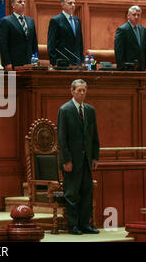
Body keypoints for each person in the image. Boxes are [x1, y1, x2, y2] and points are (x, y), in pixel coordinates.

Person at [57, 79, 100, 235]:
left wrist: (95, 157)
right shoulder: (65, 110)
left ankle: (85, 224)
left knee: (87, 192)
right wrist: (66, 160)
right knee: (72, 193)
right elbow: (62, 138)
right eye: (79, 90)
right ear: (72, 91)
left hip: (87, 160)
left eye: (84, 90)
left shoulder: (90, 110)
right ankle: (73, 225)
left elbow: (94, 136)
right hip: (72, 161)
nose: (82, 93)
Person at [0, 0, 38, 70]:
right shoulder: (6, 21)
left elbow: (34, 42)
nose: (23, 3)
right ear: (13, 5)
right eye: (19, 2)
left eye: (24, 2)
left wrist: (35, 59)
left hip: (29, 62)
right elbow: (3, 44)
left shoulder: (30, 21)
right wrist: (7, 63)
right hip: (14, 62)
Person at [47, 0, 84, 66]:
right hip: (62, 62)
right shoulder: (56, 20)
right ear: (62, 4)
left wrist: (81, 60)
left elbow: (80, 43)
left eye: (74, 3)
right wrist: (54, 63)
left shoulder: (77, 20)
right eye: (70, 3)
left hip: (77, 62)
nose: (73, 5)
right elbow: (51, 44)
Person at [114, 5, 146, 71]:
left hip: (141, 68)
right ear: (128, 16)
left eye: (138, 15)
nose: (136, 17)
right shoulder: (122, 29)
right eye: (134, 15)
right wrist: (122, 68)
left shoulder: (143, 30)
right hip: (127, 69)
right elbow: (118, 51)